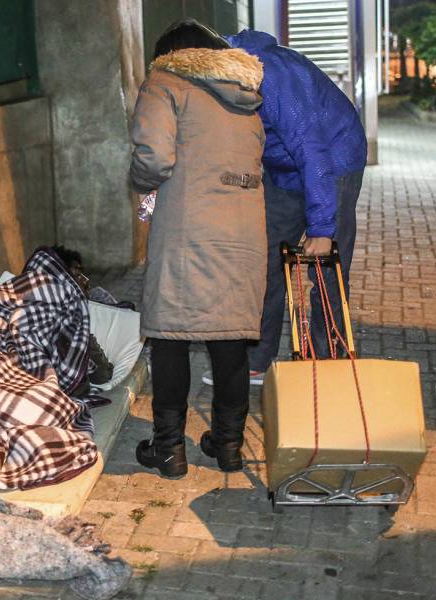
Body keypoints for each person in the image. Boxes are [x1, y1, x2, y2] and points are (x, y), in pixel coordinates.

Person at [130, 20, 267, 478]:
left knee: (171, 336)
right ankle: (228, 446)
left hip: (189, 228)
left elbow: (154, 156)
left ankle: (169, 449)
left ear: (169, 55)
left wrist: (142, 184)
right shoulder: (243, 96)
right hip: (244, 231)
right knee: (229, 338)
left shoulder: (165, 83)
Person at [200, 29, 367, 386]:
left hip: (333, 158)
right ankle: (256, 359)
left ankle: (328, 359)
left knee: (326, 264)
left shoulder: (273, 76)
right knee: (266, 255)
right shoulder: (216, 79)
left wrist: (322, 230)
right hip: (283, 167)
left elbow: (312, 152)